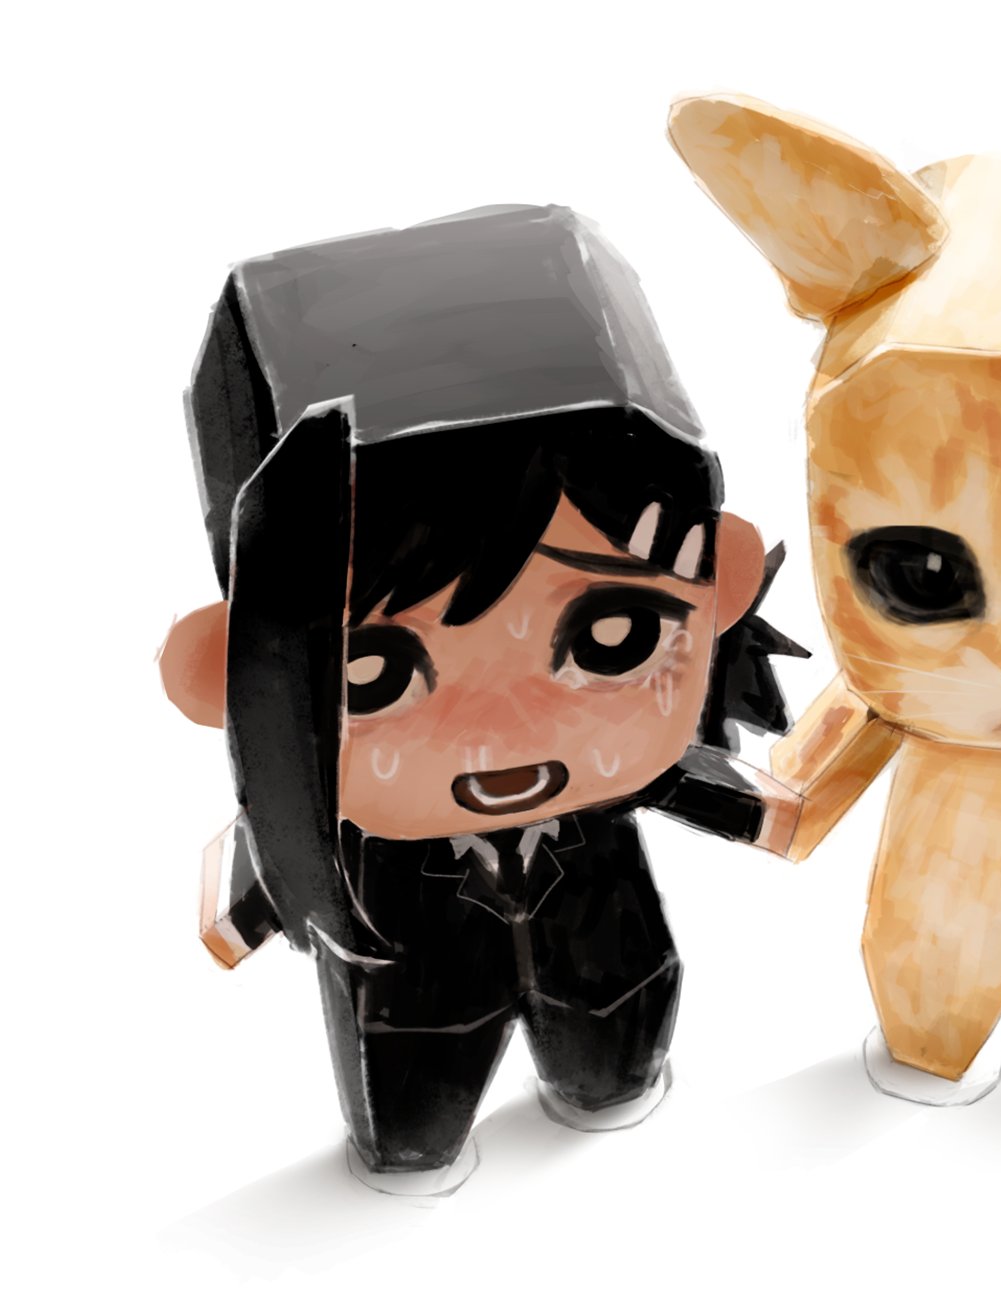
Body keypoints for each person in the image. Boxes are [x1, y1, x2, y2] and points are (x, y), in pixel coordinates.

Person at [159, 204, 803, 1193]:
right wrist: (252, 897)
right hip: (406, 970)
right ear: (233, 675)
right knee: (413, 1094)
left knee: (616, 1041)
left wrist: (768, 802)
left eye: (613, 634)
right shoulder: (333, 812)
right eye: (373, 673)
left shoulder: (621, 770)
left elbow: (734, 794)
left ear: (720, 584)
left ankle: (609, 1087)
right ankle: (413, 1147)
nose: (501, 731)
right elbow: (266, 849)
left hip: (608, 953)